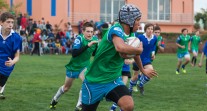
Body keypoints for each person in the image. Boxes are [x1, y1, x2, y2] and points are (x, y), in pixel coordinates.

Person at [81, 4, 157, 111]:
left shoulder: (131, 35)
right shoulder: (115, 29)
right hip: (94, 82)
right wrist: (138, 50)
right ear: (129, 21)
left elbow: (135, 54)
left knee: (128, 105)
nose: (139, 25)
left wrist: (143, 70)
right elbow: (120, 47)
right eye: (138, 20)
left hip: (113, 80)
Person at [49, 22, 98, 110]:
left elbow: (94, 53)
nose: (90, 34)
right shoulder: (79, 38)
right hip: (73, 67)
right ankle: (55, 99)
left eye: (91, 32)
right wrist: (87, 45)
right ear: (83, 31)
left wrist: (97, 47)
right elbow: (74, 54)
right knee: (66, 88)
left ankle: (79, 106)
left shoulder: (94, 39)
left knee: (87, 82)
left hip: (85, 66)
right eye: (88, 31)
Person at [129, 23, 157, 95]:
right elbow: (135, 47)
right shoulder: (140, 37)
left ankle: (140, 84)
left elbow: (153, 47)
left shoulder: (154, 38)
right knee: (135, 77)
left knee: (150, 73)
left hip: (147, 59)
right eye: (148, 29)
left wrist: (153, 53)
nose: (150, 30)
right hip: (138, 59)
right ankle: (130, 89)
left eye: (151, 29)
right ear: (145, 29)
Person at [0, 12, 22, 99]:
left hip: (6, 68)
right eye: (8, 22)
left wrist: (12, 62)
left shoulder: (16, 38)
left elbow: (17, 57)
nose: (10, 25)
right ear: (1, 22)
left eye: (12, 22)